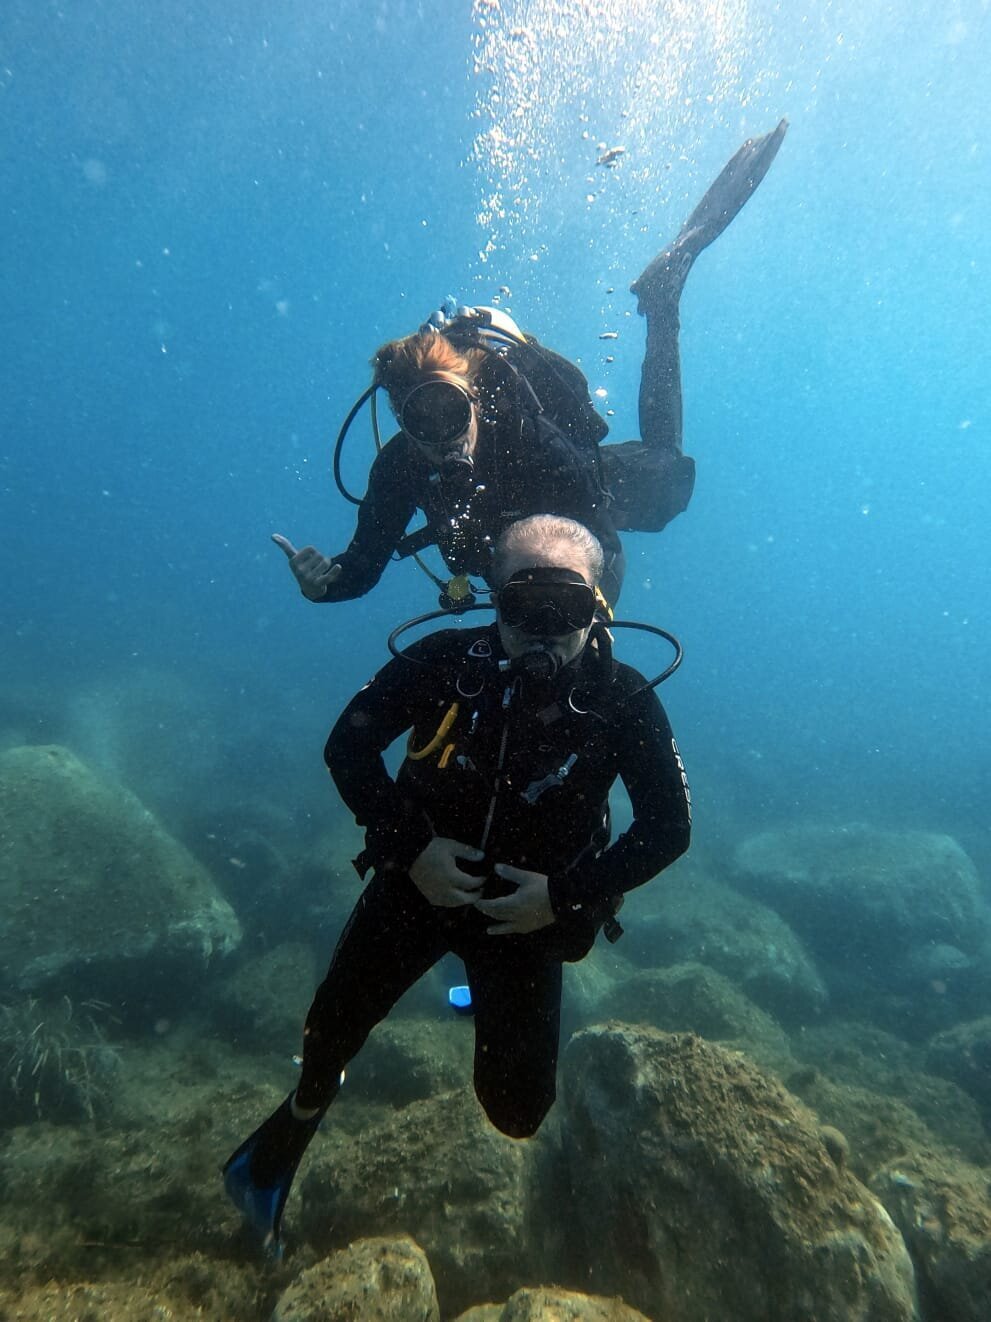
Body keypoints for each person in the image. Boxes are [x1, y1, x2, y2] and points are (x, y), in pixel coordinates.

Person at [224, 514, 692, 1253]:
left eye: (565, 607)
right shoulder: (443, 662)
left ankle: (469, 990)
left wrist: (560, 896)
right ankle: (289, 1135)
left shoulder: (622, 697)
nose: (542, 632)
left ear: (598, 605)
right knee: (326, 1041)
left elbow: (668, 827)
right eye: (523, 605)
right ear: (492, 597)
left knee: (518, 1113)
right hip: (415, 889)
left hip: (526, 918)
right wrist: (412, 848)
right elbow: (347, 747)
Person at [274, 120, 787, 608]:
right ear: (402, 426)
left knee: (666, 471)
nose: (443, 436)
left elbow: (604, 544)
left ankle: (662, 300)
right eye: (421, 422)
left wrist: (591, 615)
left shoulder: (529, 437)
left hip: (588, 491)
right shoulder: (400, 467)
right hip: (518, 567)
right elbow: (362, 566)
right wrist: (323, 585)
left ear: (473, 397)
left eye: (450, 410)